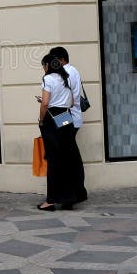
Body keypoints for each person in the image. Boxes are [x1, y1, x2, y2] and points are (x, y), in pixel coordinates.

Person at [36, 55, 86, 211]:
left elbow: (45, 103)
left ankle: (50, 200)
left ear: (47, 65)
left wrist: (41, 120)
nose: (43, 68)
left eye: (44, 65)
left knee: (53, 159)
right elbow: (71, 101)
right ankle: (68, 198)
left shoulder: (48, 79)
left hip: (52, 118)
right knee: (67, 158)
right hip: (65, 116)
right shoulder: (65, 78)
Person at [48, 46, 88, 202]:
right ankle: (77, 191)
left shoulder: (67, 73)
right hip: (70, 116)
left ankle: (73, 193)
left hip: (66, 117)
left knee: (67, 157)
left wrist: (48, 102)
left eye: (53, 60)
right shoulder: (73, 71)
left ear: (61, 59)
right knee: (72, 156)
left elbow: (67, 98)